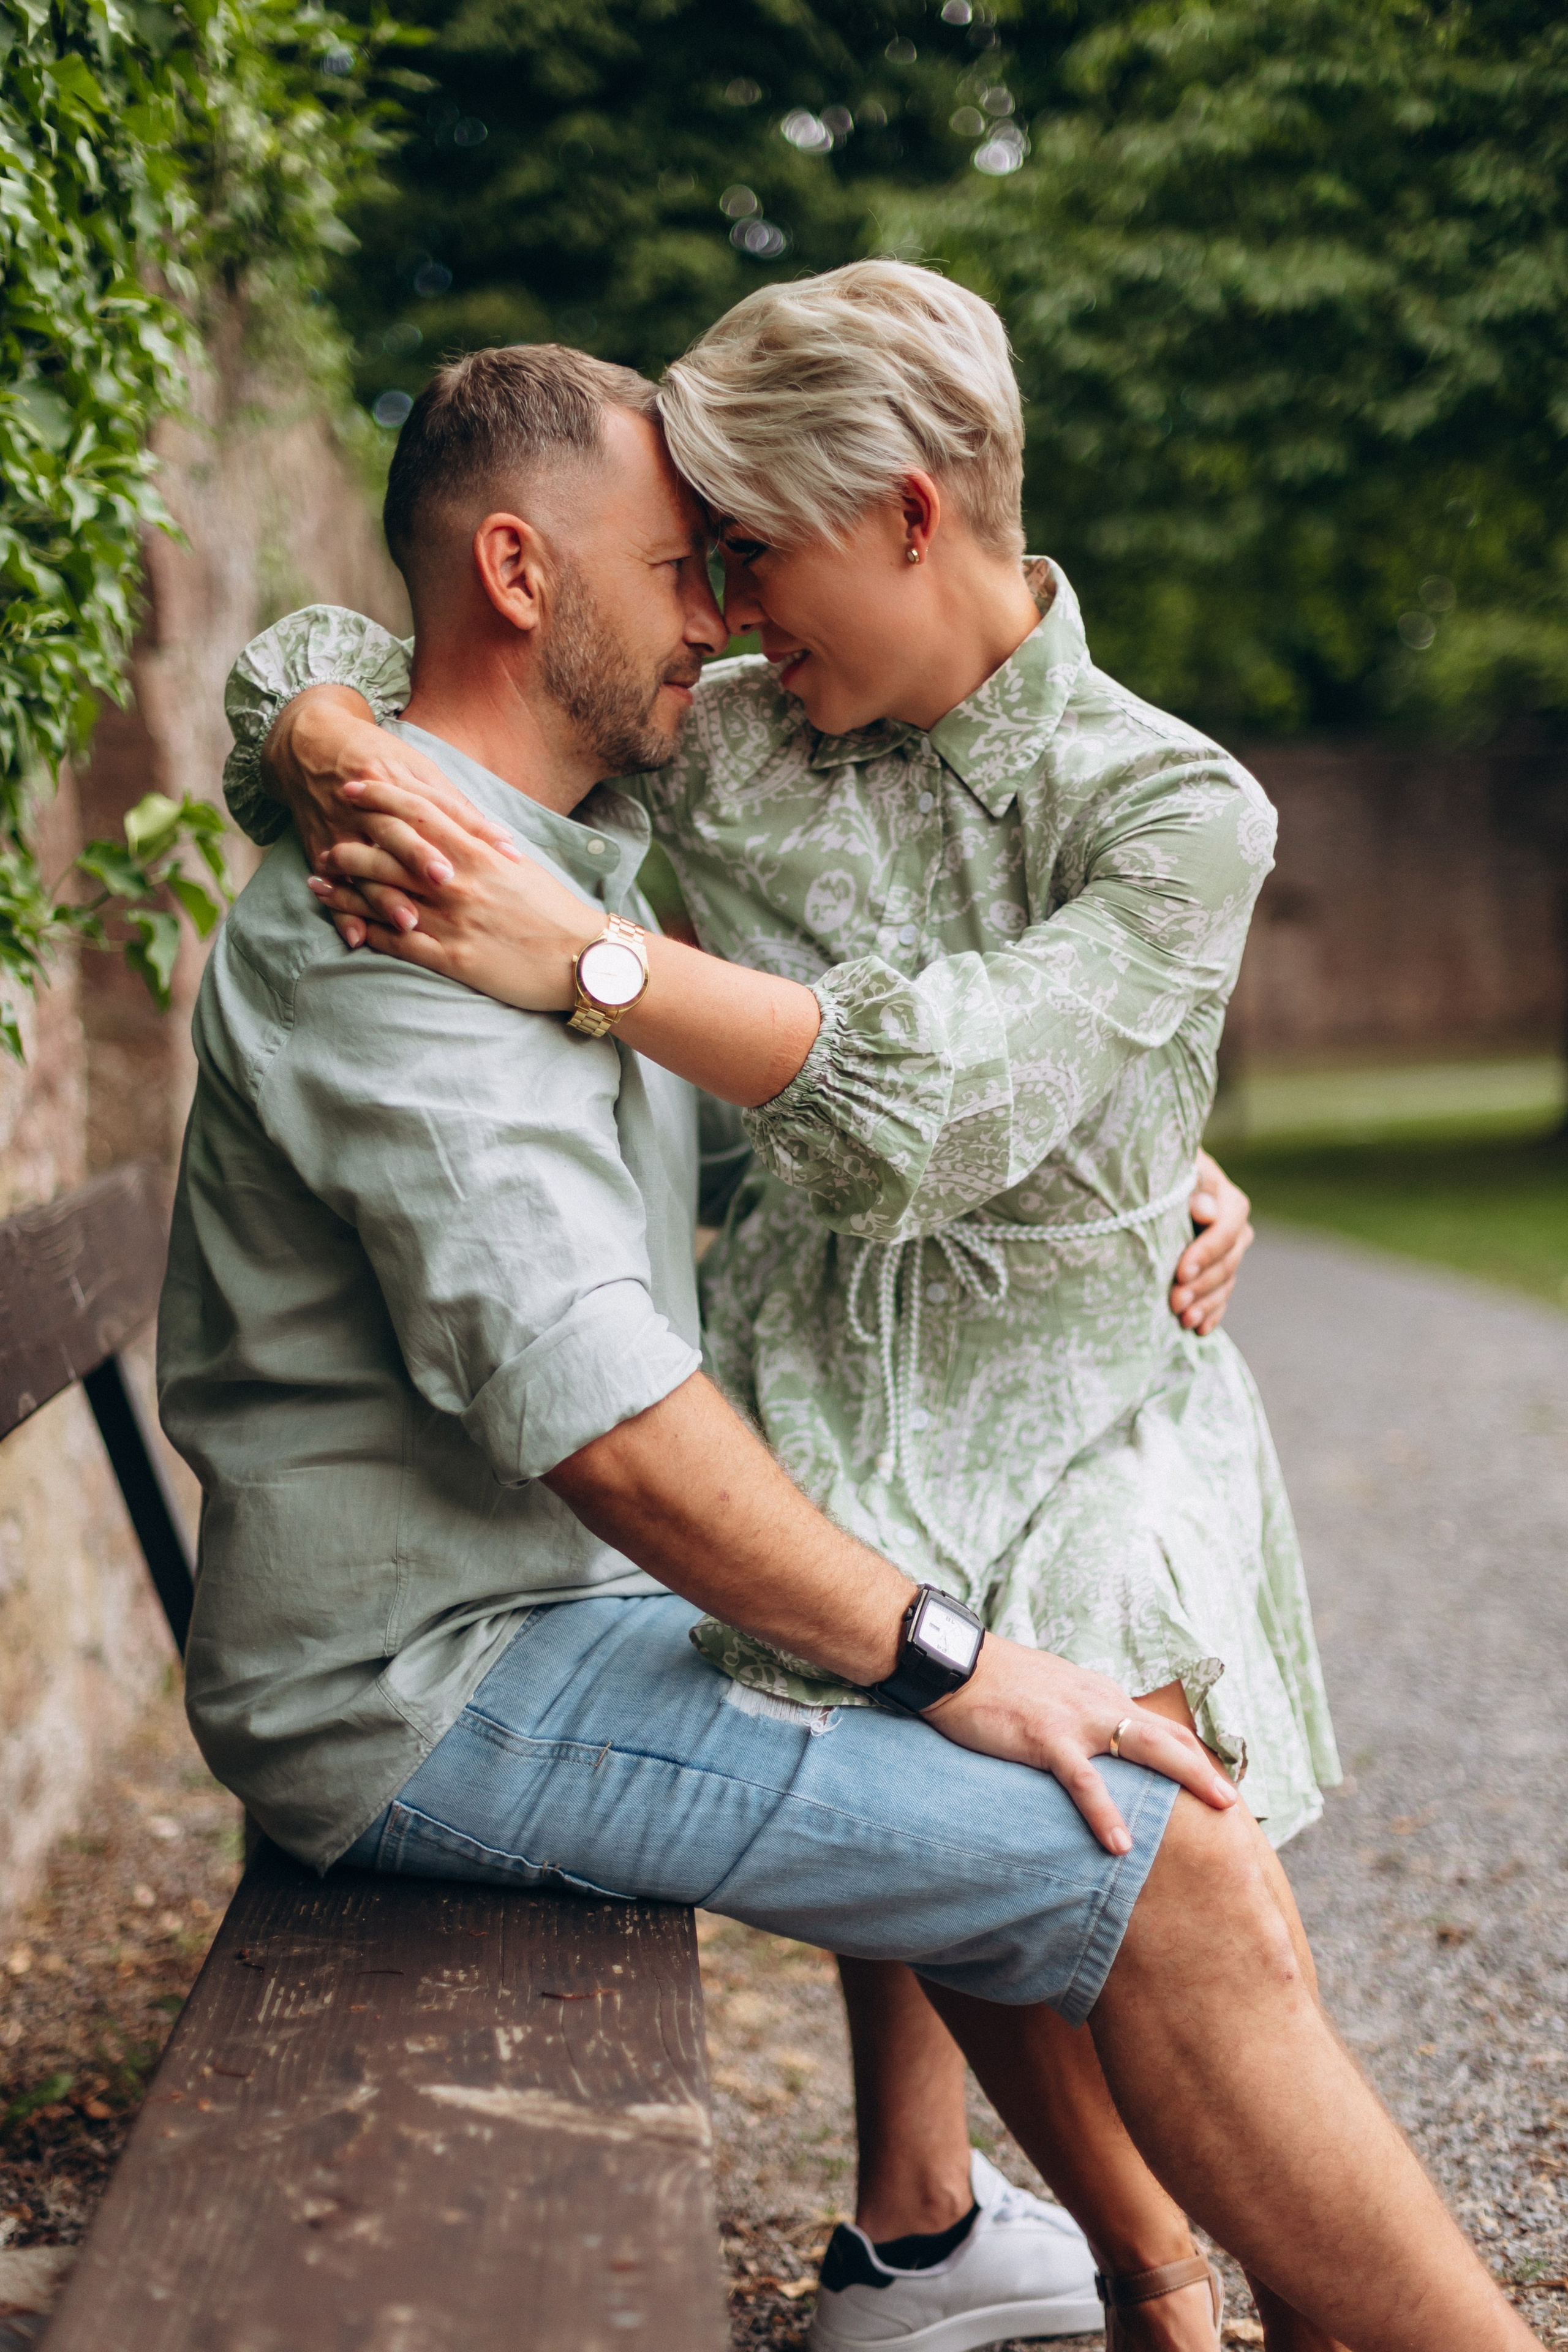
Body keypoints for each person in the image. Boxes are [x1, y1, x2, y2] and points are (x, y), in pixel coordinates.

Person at [227, 273, 1344, 2350]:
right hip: (695, 1484)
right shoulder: (658, 779)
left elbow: (964, 1091)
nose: (722, 613)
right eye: (696, 562)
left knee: (1110, 1796)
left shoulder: (1162, 797)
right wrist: (318, 741)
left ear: (911, 514)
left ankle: (1050, 2244)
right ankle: (1152, 2280)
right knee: (1006, 1777)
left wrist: (1128, 1154)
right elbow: (377, 667)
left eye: (749, 556)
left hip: (1052, 1397)